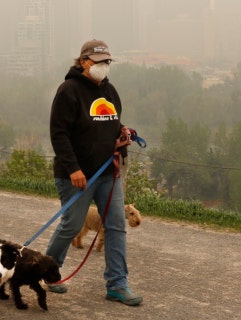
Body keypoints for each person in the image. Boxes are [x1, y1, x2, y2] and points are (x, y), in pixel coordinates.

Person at [45, 39, 142, 306]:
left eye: (108, 62)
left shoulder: (109, 91)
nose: (104, 66)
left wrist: (123, 132)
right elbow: (59, 133)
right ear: (85, 61)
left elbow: (111, 121)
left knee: (115, 226)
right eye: (100, 62)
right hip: (76, 176)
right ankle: (48, 272)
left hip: (108, 173)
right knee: (72, 226)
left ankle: (118, 284)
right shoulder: (68, 91)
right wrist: (74, 168)